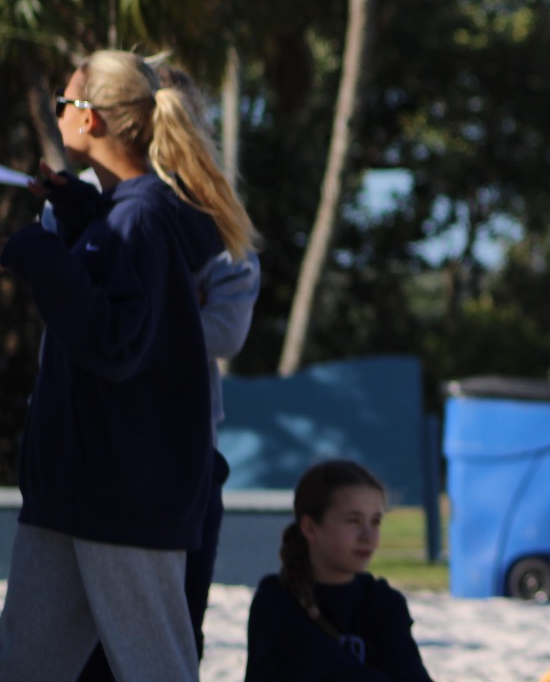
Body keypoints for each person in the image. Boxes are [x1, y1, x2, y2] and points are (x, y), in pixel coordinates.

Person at [0, 51, 251, 682]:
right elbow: (119, 294)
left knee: (155, 668)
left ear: (93, 121)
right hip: (72, 488)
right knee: (25, 667)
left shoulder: (142, 217)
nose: (58, 111)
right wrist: (80, 219)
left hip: (123, 494)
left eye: (65, 101)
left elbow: (116, 342)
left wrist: (42, 256)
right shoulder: (122, 214)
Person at [77, 68, 262, 682]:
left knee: (170, 644)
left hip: (176, 461)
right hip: (85, 452)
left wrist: (122, 319)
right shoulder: (79, 203)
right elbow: (76, 325)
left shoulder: (208, 219)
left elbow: (224, 332)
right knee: (69, 649)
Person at [245, 459, 432, 682]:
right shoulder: (277, 601)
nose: (367, 535)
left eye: (375, 522)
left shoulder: (382, 602)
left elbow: (409, 672)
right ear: (310, 528)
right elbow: (319, 670)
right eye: (353, 520)